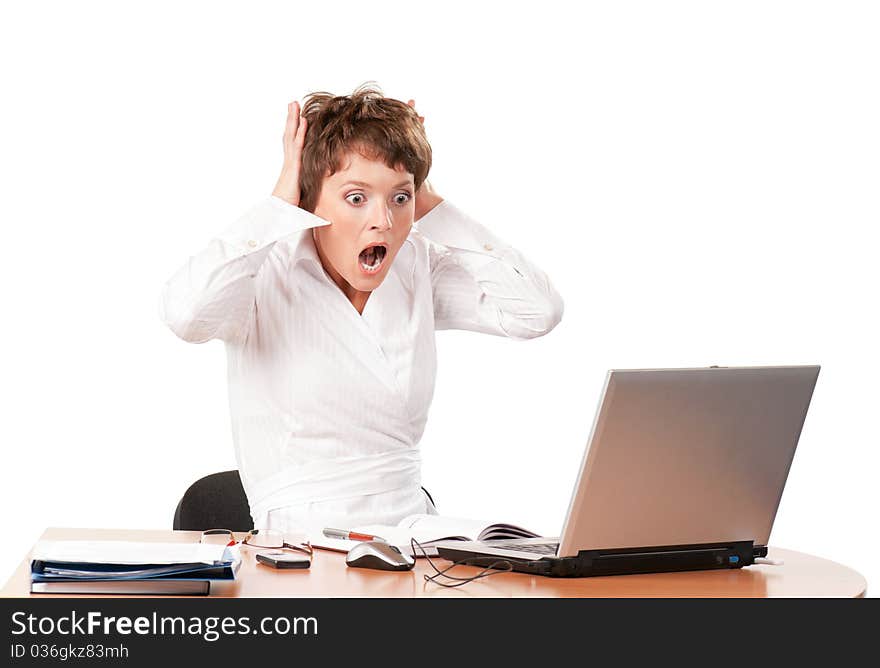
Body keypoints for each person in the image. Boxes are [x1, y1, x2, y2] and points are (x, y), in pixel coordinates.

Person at [160, 83, 564, 537]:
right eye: (356, 198)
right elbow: (185, 314)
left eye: (399, 198)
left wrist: (433, 206)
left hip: (415, 547)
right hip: (297, 552)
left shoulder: (416, 264)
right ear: (310, 200)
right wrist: (277, 208)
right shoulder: (261, 276)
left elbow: (537, 311)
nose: (384, 221)